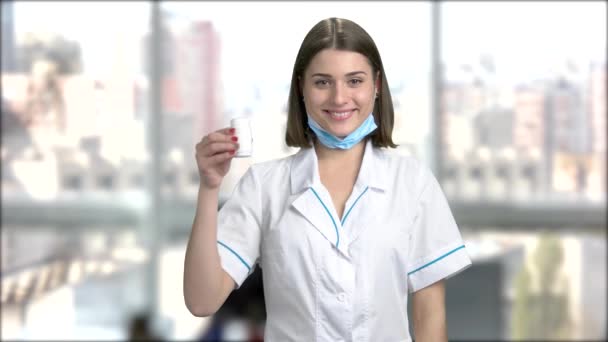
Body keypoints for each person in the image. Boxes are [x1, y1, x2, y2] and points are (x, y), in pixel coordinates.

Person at [184, 17, 472, 341]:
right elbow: (202, 299)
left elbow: (430, 317)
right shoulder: (264, 187)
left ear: (376, 86)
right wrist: (209, 188)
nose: (339, 98)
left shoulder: (412, 183)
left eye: (354, 81)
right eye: (322, 82)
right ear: (301, 89)